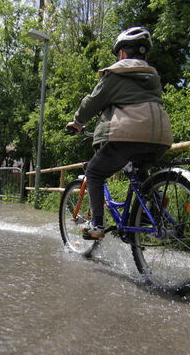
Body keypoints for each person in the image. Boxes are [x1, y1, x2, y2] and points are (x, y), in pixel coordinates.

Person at [66, 26, 173, 239]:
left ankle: (97, 225)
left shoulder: (115, 74)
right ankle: (152, 207)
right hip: (160, 137)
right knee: (139, 176)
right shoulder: (153, 78)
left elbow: (92, 102)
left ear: (122, 53)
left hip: (126, 136)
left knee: (95, 173)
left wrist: (77, 122)